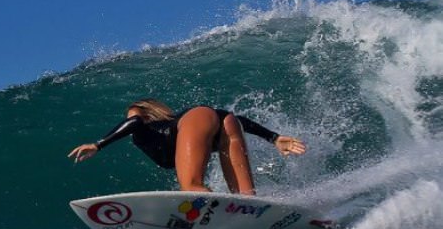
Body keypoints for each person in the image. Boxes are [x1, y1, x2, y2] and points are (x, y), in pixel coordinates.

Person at [68, 99, 306, 195]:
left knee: (191, 187)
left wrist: (98, 144)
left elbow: (135, 121)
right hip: (224, 119)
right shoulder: (160, 127)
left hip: (196, 119)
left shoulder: (142, 125)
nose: (130, 119)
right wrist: (273, 137)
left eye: (134, 114)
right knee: (244, 198)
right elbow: (234, 120)